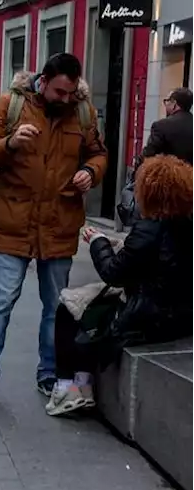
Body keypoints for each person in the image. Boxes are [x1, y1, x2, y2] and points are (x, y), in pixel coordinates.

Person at [0, 53, 108, 405]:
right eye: (59, 92)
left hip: (59, 224)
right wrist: (10, 143)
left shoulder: (84, 112)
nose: (65, 99)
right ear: (43, 82)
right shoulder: (11, 104)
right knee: (0, 303)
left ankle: (48, 375)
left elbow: (99, 154)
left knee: (56, 308)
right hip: (15, 223)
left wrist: (91, 172)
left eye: (71, 93)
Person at [47, 154, 194, 415]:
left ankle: (70, 387)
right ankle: (80, 385)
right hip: (181, 314)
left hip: (146, 316)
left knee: (70, 304)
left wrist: (98, 242)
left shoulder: (150, 225)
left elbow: (113, 273)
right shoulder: (185, 223)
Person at [142, 87, 194, 163]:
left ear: (174, 104)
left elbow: (149, 154)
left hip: (167, 173)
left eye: (166, 101)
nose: (165, 105)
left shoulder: (161, 126)